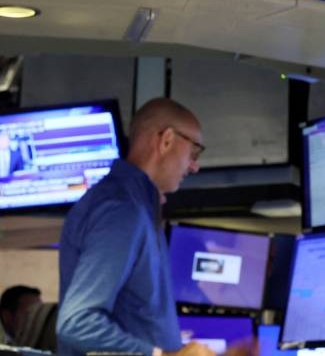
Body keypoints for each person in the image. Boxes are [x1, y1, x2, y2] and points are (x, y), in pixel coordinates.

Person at [57, 98, 213, 356]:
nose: (194, 166)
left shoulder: (136, 206)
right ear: (167, 140)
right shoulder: (123, 209)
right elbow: (77, 323)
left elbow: (135, 322)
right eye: (194, 152)